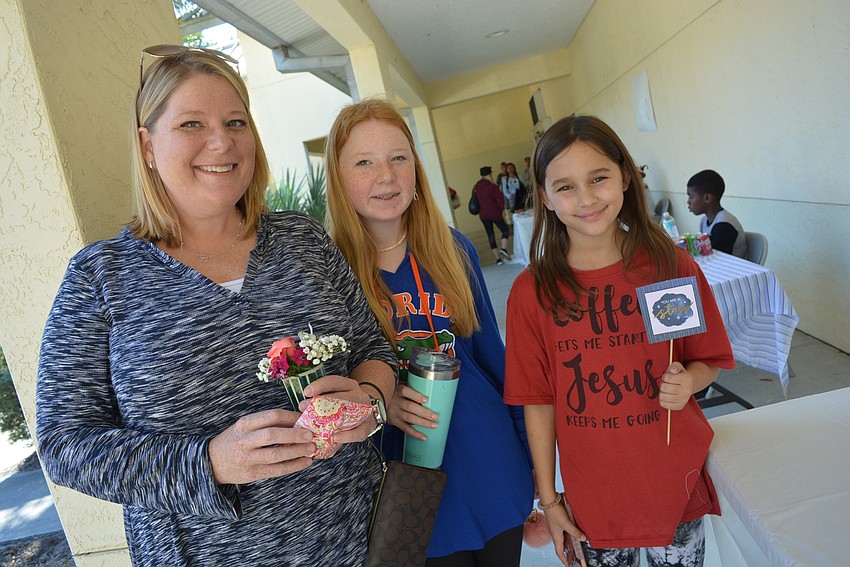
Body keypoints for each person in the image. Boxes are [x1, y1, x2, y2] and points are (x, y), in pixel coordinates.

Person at [35, 45, 397, 567]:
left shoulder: (303, 240)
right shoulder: (102, 277)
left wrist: (368, 399)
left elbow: (372, 347)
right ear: (147, 145)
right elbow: (65, 447)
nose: (221, 141)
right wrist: (208, 462)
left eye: (235, 121)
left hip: (355, 545)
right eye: (190, 124)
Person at [503, 115, 735, 567]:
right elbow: (538, 401)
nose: (586, 198)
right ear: (546, 198)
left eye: (599, 178)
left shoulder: (666, 266)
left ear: (625, 177)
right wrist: (550, 503)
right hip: (595, 496)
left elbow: (705, 359)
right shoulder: (533, 292)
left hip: (673, 481)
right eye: (565, 187)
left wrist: (690, 381)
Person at [325, 98, 534, 567]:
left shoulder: (450, 246)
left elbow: (492, 360)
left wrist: (532, 463)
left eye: (399, 157)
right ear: (338, 179)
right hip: (409, 488)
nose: (386, 175)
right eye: (364, 162)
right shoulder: (326, 268)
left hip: (491, 463)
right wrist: (377, 401)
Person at [686, 169, 747, 258]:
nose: (688, 202)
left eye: (691, 197)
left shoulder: (724, 225)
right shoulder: (704, 221)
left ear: (707, 198)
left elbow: (718, 259)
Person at [473, 166, 512, 265]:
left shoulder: (476, 187)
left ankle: (498, 259)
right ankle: (503, 248)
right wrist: (501, 210)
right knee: (505, 230)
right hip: (495, 213)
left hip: (483, 215)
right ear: (489, 174)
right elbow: (500, 200)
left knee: (490, 235)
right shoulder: (492, 186)